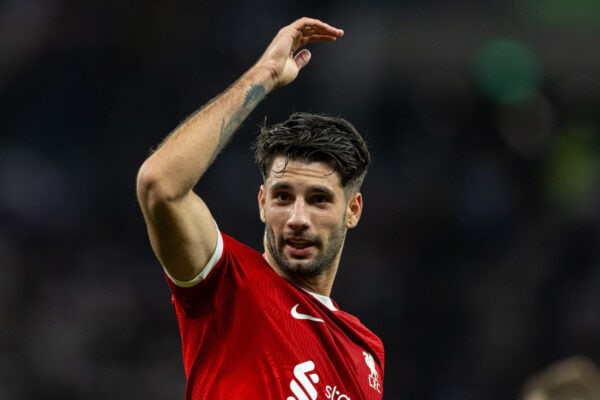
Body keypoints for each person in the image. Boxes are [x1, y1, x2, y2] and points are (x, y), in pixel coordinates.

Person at [136, 17, 384, 399]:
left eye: (318, 200)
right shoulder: (226, 284)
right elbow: (159, 185)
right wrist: (265, 74)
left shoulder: (365, 351)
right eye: (283, 196)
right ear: (263, 202)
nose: (298, 219)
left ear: (353, 210)